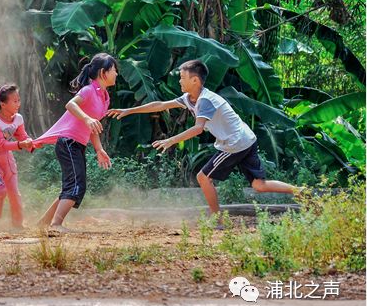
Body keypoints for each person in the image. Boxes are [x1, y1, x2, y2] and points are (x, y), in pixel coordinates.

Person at [107, 59, 297, 214]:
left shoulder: (205, 100)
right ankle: (302, 193)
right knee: (259, 185)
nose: (179, 81)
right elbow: (161, 105)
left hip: (235, 143)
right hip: (246, 139)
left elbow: (198, 129)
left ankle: (217, 220)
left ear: (195, 81)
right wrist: (128, 110)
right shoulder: (190, 98)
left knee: (203, 177)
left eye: (182, 78)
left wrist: (171, 140)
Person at [34, 53, 116, 233]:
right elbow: (71, 105)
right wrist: (87, 119)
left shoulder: (104, 97)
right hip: (68, 142)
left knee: (72, 184)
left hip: (77, 144)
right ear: (103, 73)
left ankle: (44, 223)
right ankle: (56, 225)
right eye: (113, 70)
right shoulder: (88, 90)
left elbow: (94, 126)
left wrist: (99, 149)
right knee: (77, 184)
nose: (116, 73)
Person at [0, 83, 33, 232]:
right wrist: (21, 144)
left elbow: (22, 135)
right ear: (3, 104)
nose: (18, 104)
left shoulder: (18, 119)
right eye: (14, 101)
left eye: (18, 100)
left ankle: (17, 223)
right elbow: (1, 144)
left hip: (7, 159)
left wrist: (31, 144)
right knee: (0, 190)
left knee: (14, 193)